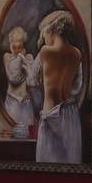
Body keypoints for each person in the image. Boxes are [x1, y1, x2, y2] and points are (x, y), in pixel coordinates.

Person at [27, 10, 83, 163]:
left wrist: (32, 70)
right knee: (71, 162)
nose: (43, 38)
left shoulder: (45, 52)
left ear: (51, 30)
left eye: (43, 34)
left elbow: (31, 80)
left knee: (47, 164)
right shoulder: (76, 53)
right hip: (71, 113)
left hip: (51, 114)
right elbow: (77, 86)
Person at [2, 26, 35, 136]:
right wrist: (20, 57)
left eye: (20, 41)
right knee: (12, 134)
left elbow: (32, 80)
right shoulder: (7, 57)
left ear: (23, 42)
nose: (17, 44)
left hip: (26, 102)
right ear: (11, 42)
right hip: (12, 101)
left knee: (28, 135)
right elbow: (13, 78)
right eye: (15, 41)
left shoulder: (29, 57)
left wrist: (22, 57)